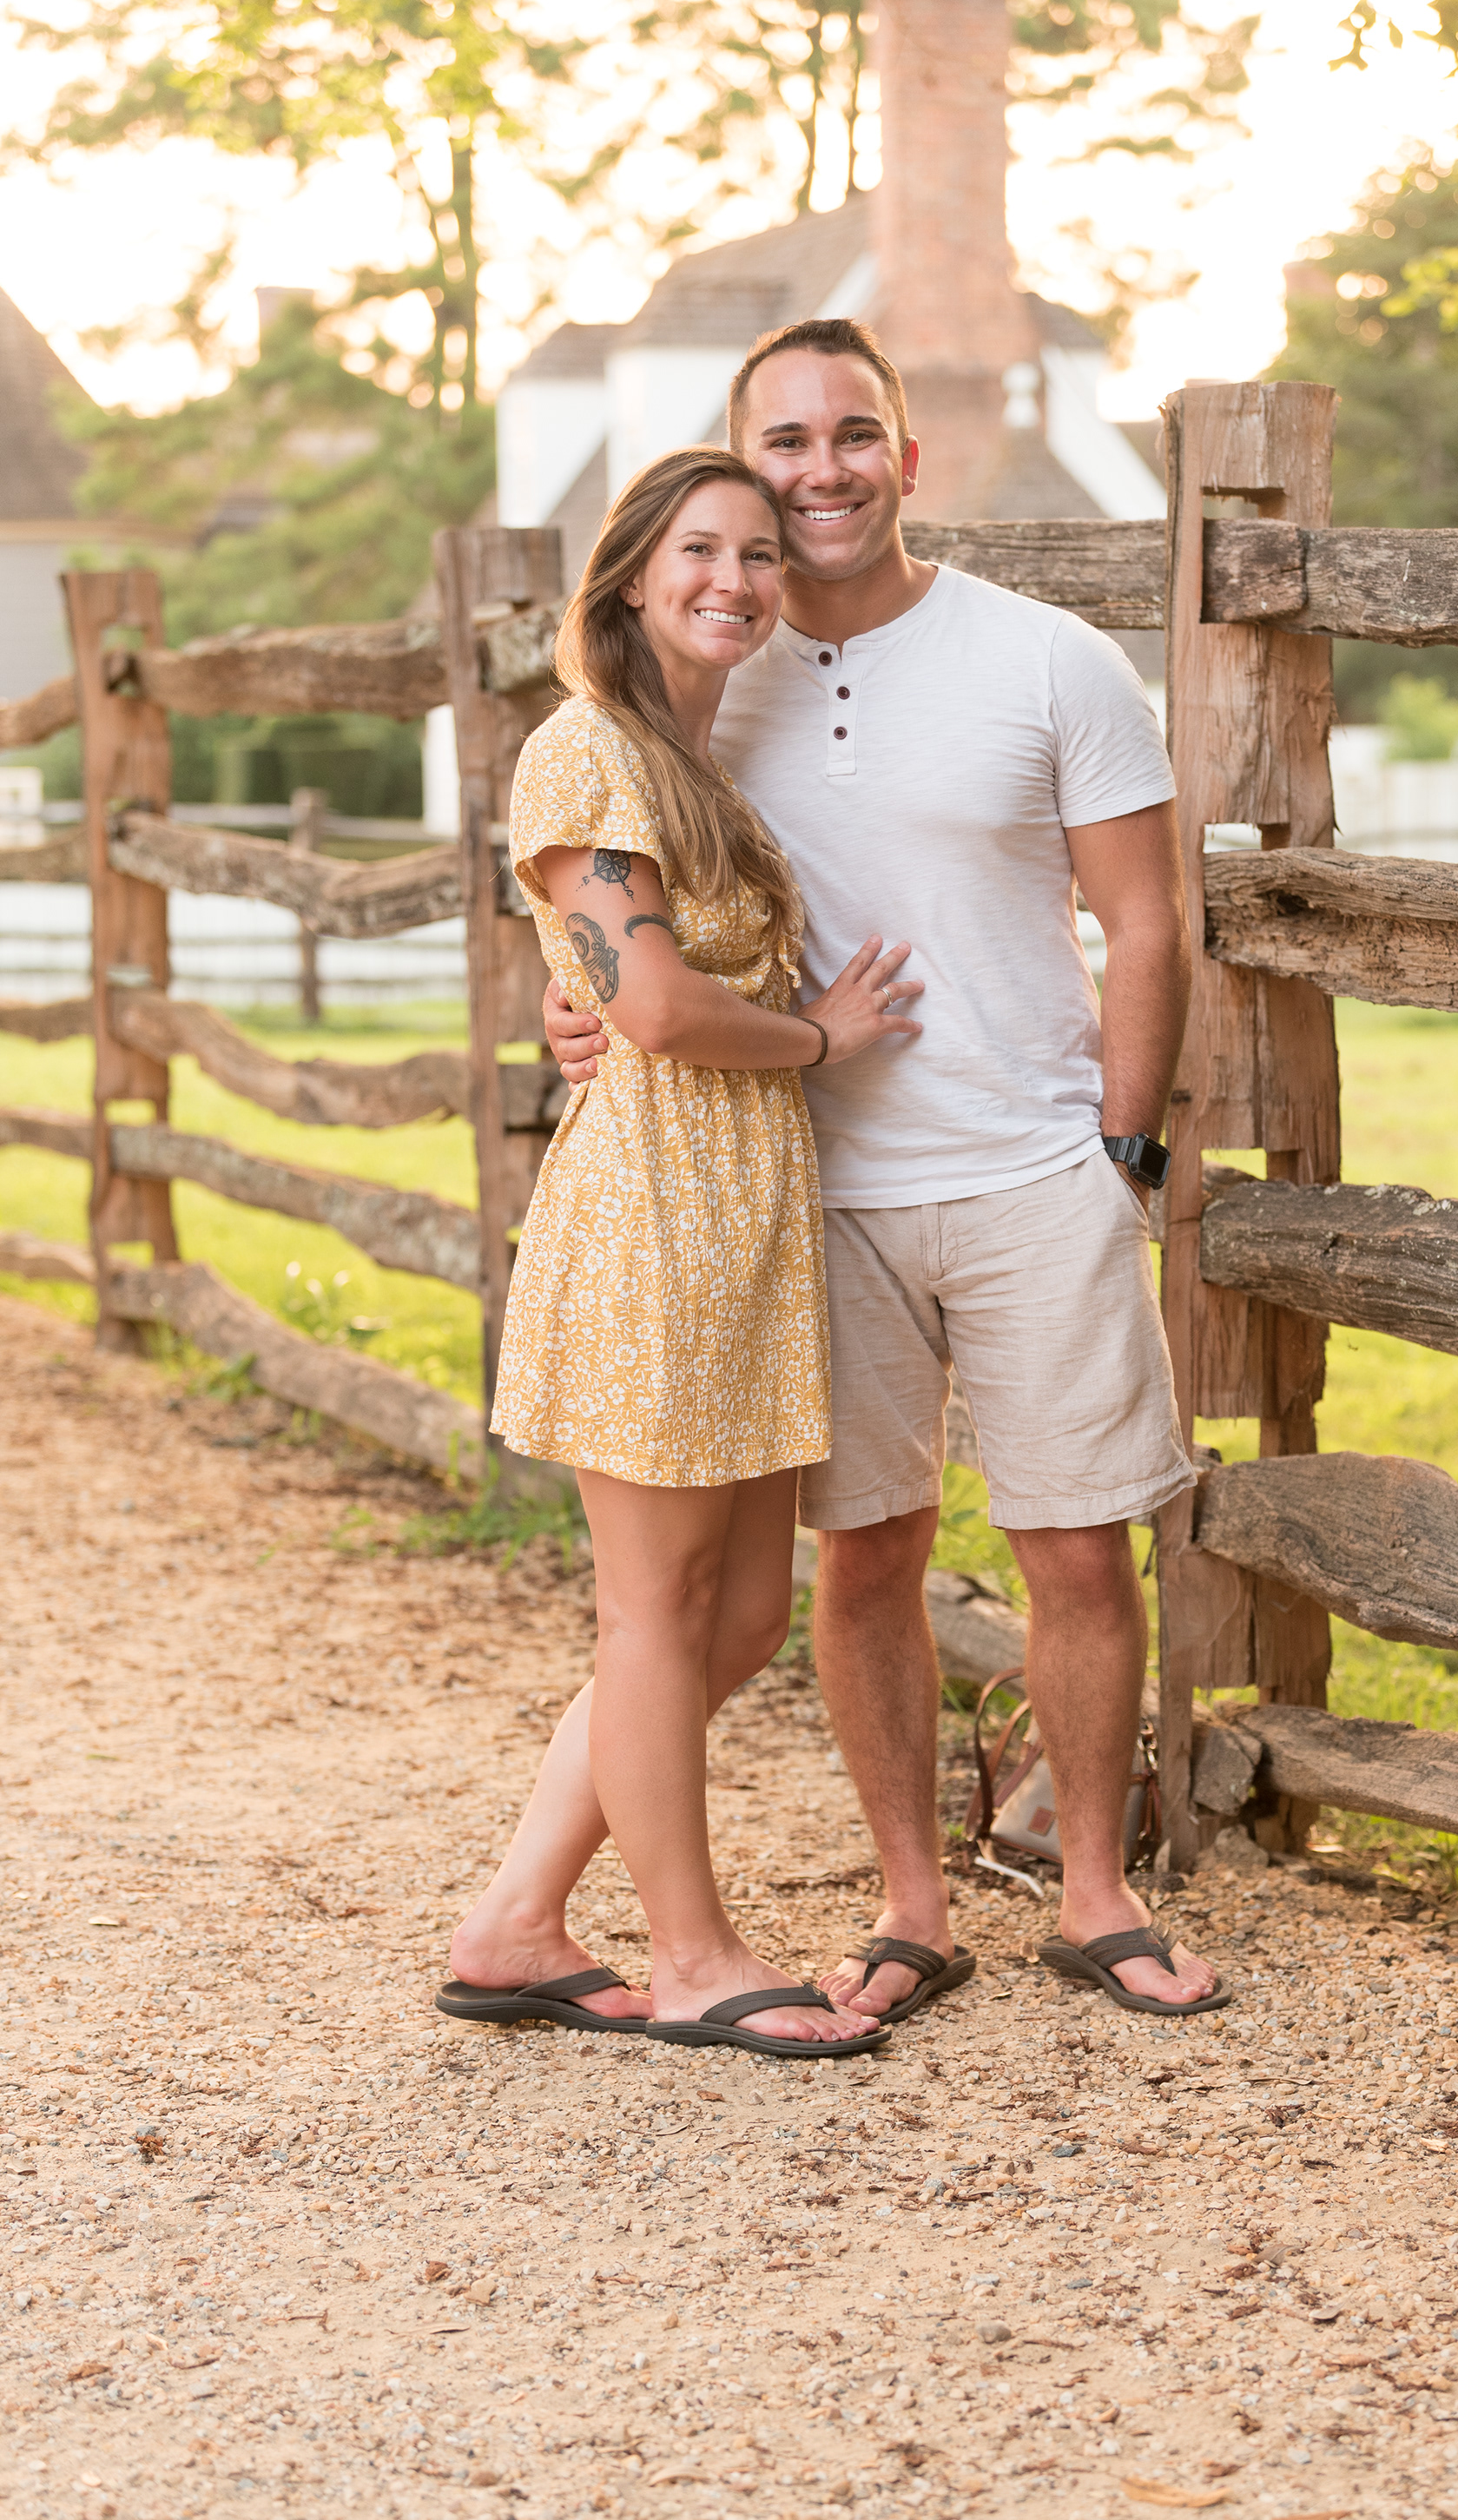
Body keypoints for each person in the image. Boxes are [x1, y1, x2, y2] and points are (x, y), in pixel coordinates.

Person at [549, 317, 1227, 2026]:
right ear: (742, 469)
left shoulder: (1052, 658)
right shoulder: (715, 670)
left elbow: (1147, 919)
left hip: (1035, 1165)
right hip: (809, 1192)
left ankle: (1094, 1887)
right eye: (785, 443)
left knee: (1079, 1550)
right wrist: (593, 1012)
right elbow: (625, 908)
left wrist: (1123, 1149)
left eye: (854, 433)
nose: (823, 469)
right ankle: (912, 1901)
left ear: (907, 457)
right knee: (864, 1556)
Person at [439, 445, 924, 2057]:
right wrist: (819, 1034)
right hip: (652, 1214)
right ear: (634, 576)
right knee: (655, 1612)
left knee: (738, 1620)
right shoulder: (588, 749)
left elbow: (622, 983)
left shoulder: (692, 761)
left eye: (761, 554)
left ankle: (516, 1921)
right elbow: (647, 1003)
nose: (736, 579)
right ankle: (697, 1954)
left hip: (744, 1220)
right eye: (701, 550)